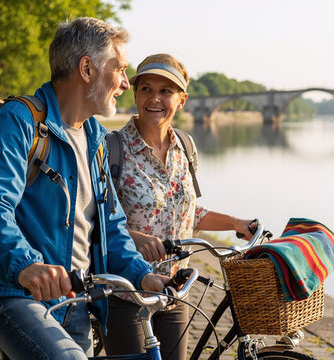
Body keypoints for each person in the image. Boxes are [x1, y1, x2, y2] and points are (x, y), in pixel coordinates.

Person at [0, 18, 169, 360]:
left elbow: (111, 229)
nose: (125, 83)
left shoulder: (96, 139)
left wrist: (143, 276)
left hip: (76, 300)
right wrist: (26, 266)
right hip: (12, 293)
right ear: (86, 68)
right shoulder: (18, 122)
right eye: (119, 69)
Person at [104, 53, 254, 360]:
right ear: (135, 93)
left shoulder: (185, 146)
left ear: (181, 100)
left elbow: (188, 214)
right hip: (126, 292)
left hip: (174, 292)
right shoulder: (112, 148)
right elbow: (95, 221)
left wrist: (235, 222)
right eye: (146, 89)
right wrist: (137, 238)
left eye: (165, 91)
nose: (154, 99)